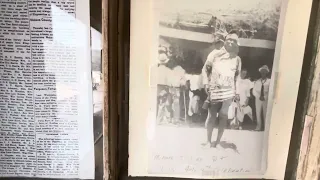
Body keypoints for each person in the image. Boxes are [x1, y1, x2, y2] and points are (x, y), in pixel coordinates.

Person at [202, 33, 242, 148]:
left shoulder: (237, 59)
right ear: (224, 40)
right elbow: (205, 69)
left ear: (236, 44)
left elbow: (237, 77)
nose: (230, 42)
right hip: (215, 89)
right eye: (228, 39)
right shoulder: (214, 54)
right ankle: (208, 141)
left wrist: (237, 91)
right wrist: (206, 83)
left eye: (233, 41)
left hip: (229, 91)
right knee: (211, 115)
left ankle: (218, 142)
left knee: (223, 116)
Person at [253, 65, 271, 131]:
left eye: (264, 72)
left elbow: (270, 91)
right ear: (260, 73)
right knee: (258, 112)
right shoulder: (257, 81)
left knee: (265, 113)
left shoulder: (269, 81)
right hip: (258, 99)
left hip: (266, 99)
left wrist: (265, 97)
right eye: (262, 72)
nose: (263, 73)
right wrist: (259, 97)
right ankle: (258, 126)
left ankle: (266, 127)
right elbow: (254, 90)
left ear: (266, 73)